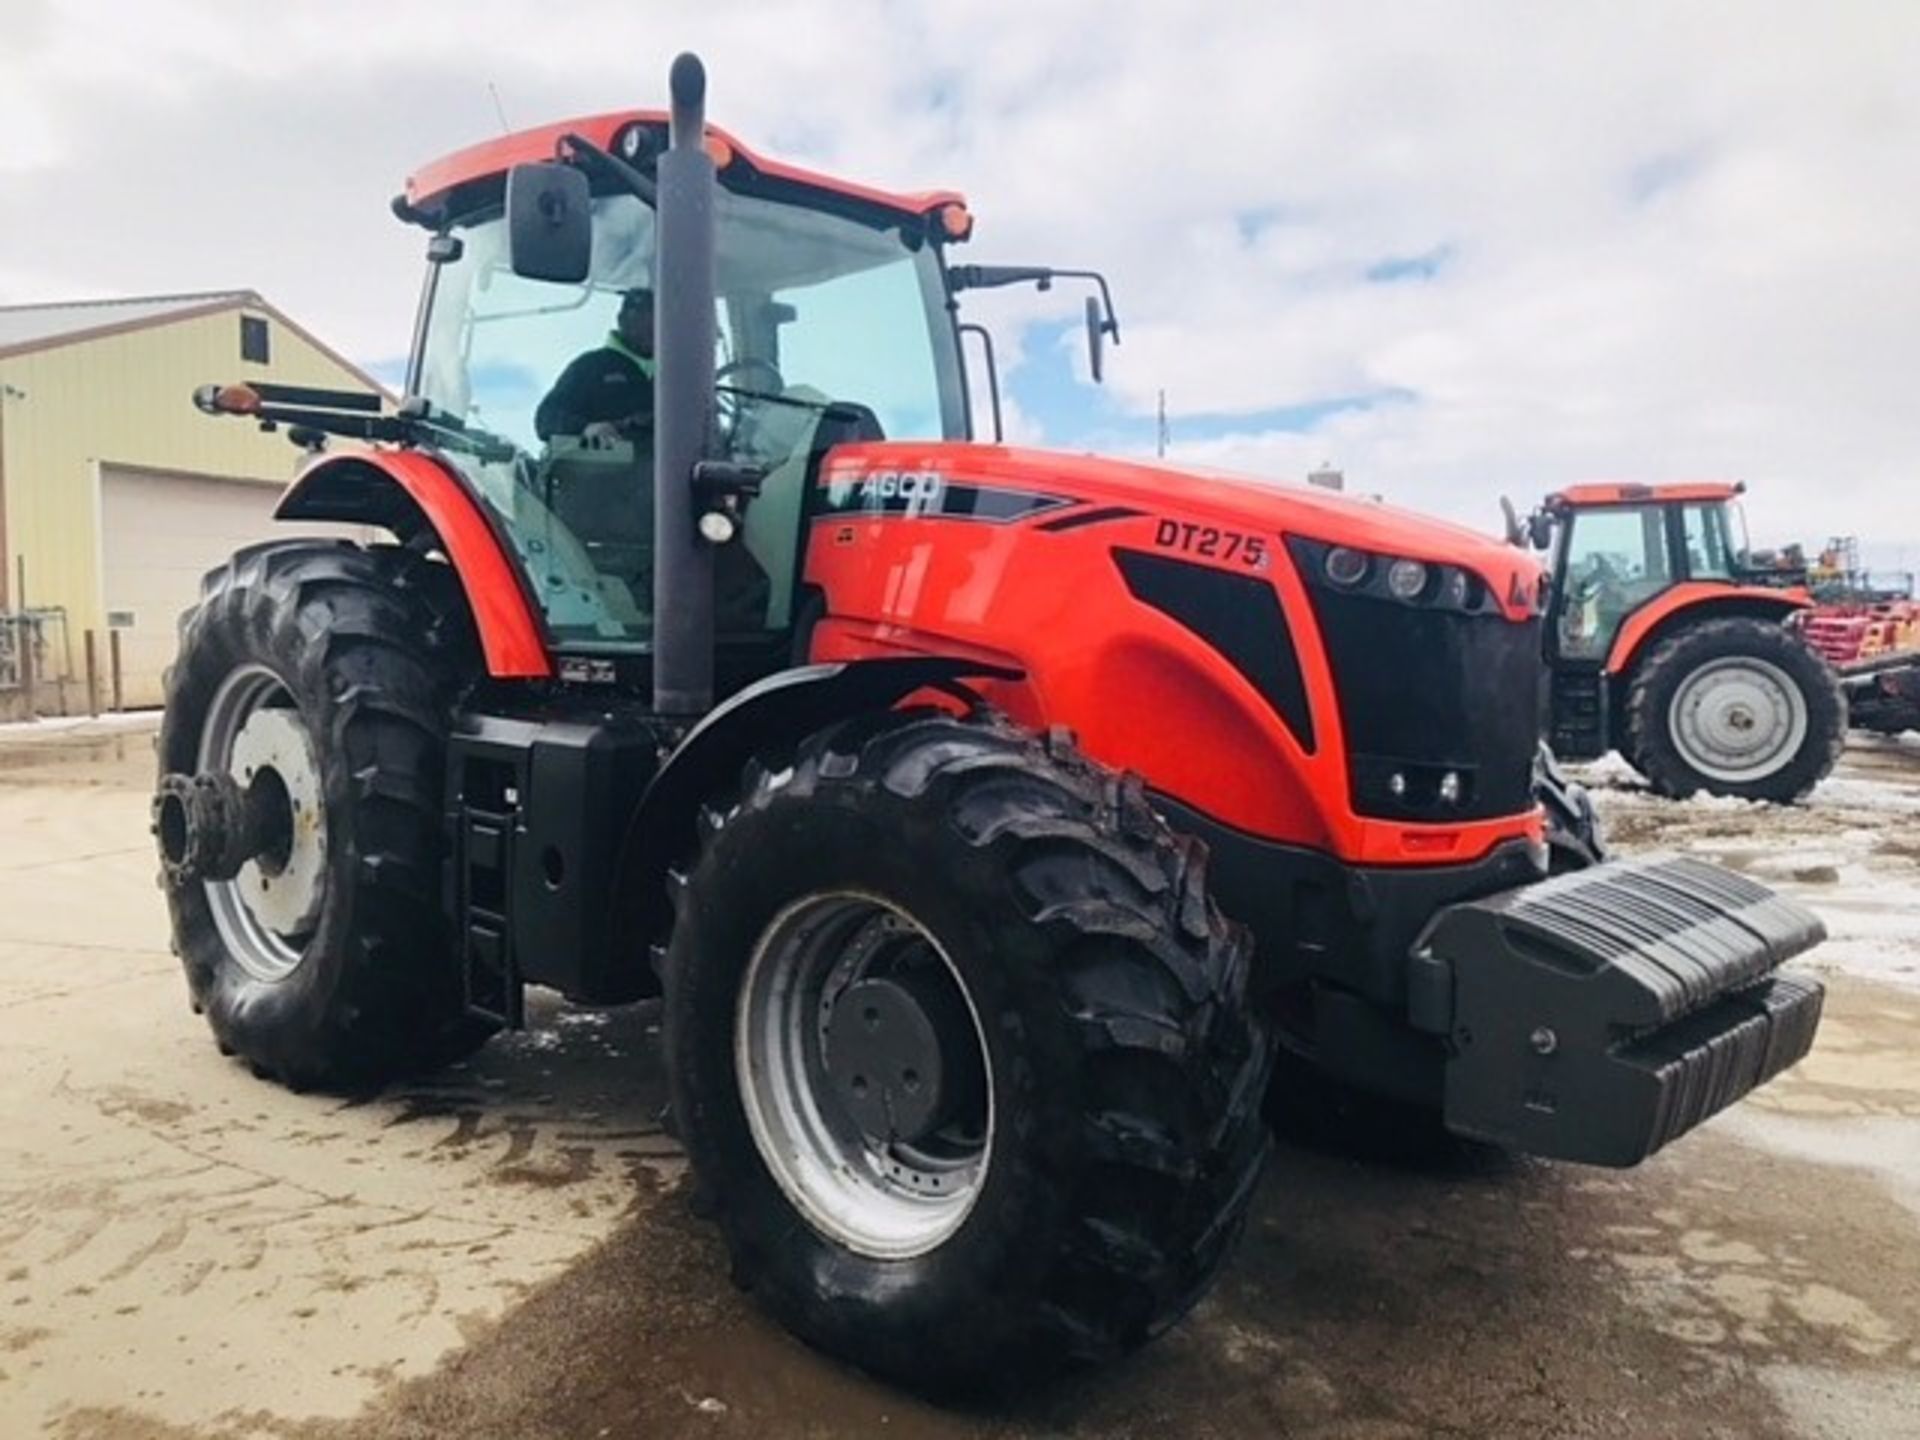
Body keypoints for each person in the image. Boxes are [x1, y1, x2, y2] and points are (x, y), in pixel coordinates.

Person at [534, 287, 656, 443]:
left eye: (655, 317)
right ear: (621, 320)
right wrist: (585, 428)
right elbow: (546, 418)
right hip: (612, 467)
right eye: (640, 316)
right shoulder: (590, 367)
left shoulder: (685, 372)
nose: (649, 325)